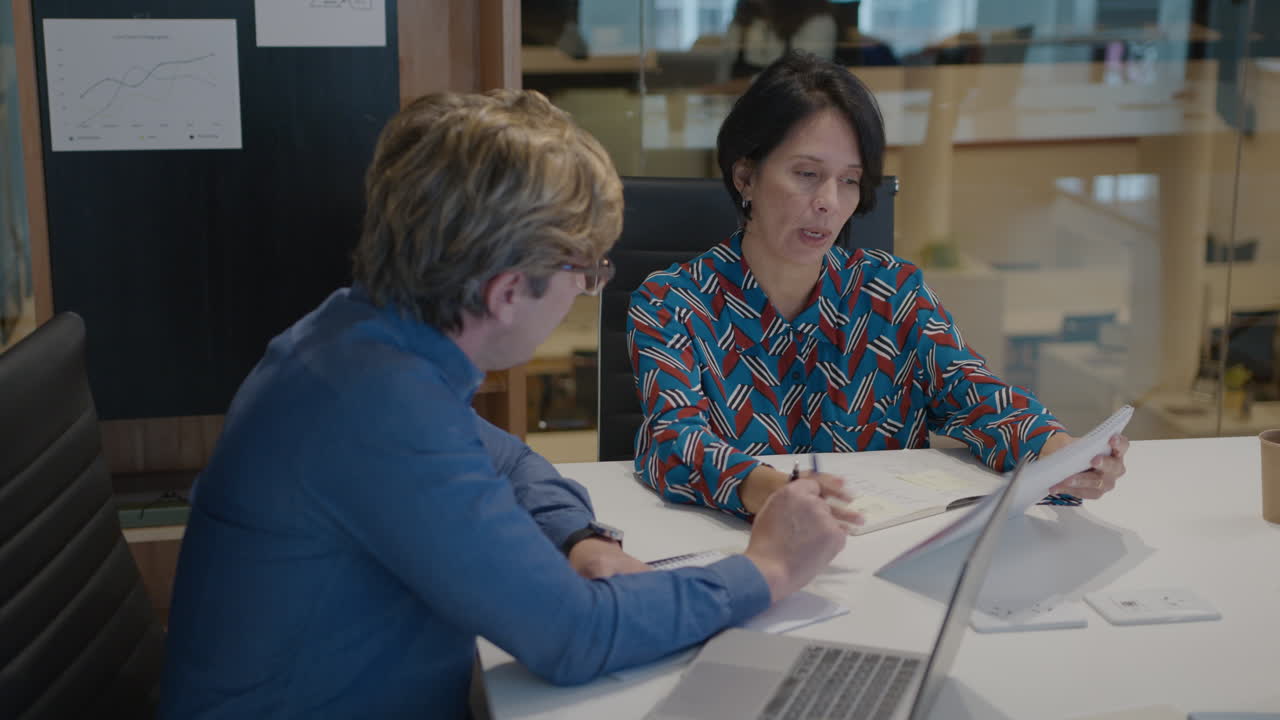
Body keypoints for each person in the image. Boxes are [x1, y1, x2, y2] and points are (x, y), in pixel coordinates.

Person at [159, 90, 854, 718]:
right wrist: (768, 569)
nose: (586, 291)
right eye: (585, 272)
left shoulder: (357, 338)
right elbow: (576, 637)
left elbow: (512, 462)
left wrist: (578, 540)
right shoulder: (380, 407)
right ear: (506, 292)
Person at [627, 51, 1129, 520]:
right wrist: (774, 492)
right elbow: (674, 442)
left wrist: (1058, 451)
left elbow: (975, 395)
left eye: (849, 180)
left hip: (891, 552)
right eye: (806, 173)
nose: (828, 201)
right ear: (746, 176)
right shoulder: (672, 302)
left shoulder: (891, 291)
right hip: (749, 552)